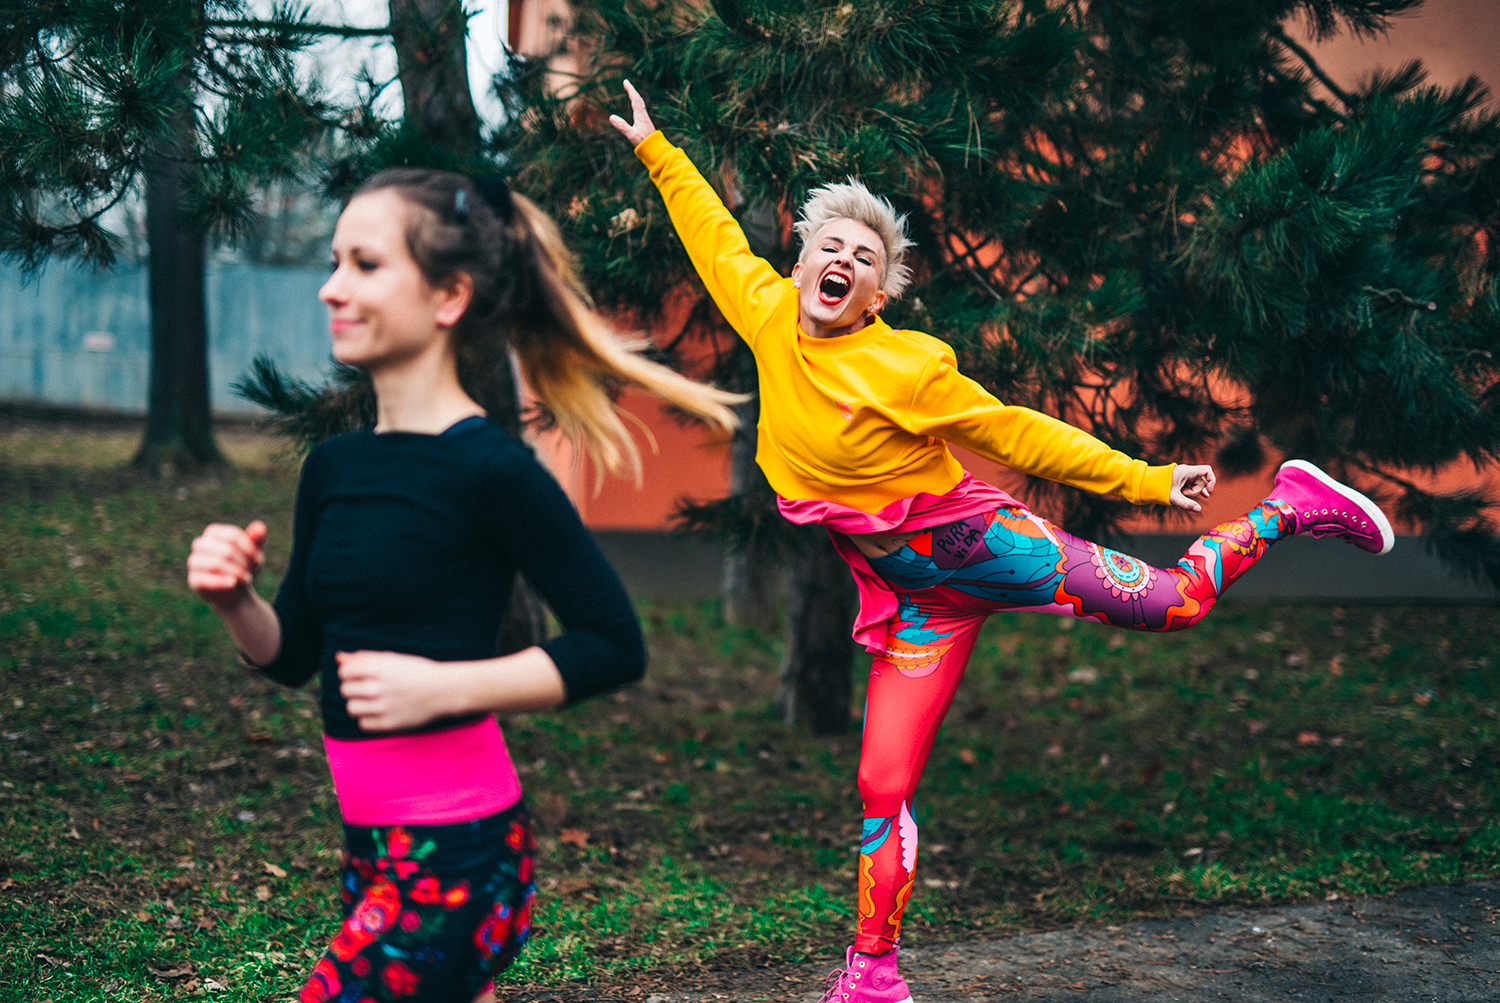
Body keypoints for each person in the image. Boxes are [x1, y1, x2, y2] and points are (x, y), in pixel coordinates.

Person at [609, 81, 1394, 1003]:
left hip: (989, 544)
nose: (843, 260)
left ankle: (1289, 505)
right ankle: (872, 975)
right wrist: (659, 150)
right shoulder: (766, 311)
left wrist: (1144, 479)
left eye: (865, 258)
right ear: (801, 260)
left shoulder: (908, 364)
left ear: (875, 294)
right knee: (880, 780)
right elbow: (713, 236)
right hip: (917, 604)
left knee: (1171, 604)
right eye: (830, 245)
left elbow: (1020, 431)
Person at [186, 168, 741, 1003]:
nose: (332, 287)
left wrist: (442, 686)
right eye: (335, 262)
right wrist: (236, 601)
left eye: (365, 265)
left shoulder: (492, 470)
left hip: (460, 847)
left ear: (449, 296)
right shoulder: (337, 467)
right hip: (373, 844)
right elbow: (297, 652)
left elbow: (613, 645)